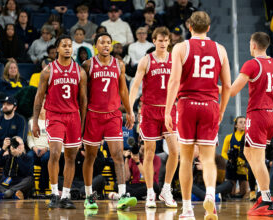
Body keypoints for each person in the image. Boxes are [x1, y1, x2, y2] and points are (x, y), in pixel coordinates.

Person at [165, 11, 231, 219]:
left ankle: (187, 209)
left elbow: (174, 81)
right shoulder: (220, 49)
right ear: (209, 28)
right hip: (210, 104)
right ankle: (210, 194)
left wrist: (167, 110)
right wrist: (221, 110)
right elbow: (227, 85)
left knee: (185, 159)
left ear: (189, 27)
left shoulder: (180, 48)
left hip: (186, 105)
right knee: (208, 158)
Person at [230, 32, 273, 216]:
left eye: (250, 43)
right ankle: (262, 193)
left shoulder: (252, 64)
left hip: (258, 115)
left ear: (254, 45)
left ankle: (266, 199)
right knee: (250, 153)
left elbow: (233, 91)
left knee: (256, 158)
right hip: (272, 114)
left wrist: (209, 87)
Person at [81, 32, 137, 210]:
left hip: (113, 116)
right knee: (90, 157)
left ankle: (122, 194)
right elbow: (82, 96)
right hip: (93, 116)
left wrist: (129, 111)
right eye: (102, 42)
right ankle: (89, 196)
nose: (106, 45)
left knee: (118, 156)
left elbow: (123, 91)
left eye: (108, 43)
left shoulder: (119, 64)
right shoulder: (88, 64)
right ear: (95, 45)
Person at [32, 35, 87, 209]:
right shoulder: (48, 70)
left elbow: (84, 100)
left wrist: (83, 124)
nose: (67, 48)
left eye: (70, 46)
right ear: (57, 49)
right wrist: (35, 122)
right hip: (54, 116)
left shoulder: (80, 71)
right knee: (55, 153)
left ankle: (66, 195)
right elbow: (39, 97)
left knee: (71, 157)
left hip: (73, 116)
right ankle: (54, 193)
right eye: (64, 45)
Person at [129, 27, 178, 208]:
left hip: (169, 110)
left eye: (166, 41)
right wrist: (129, 107)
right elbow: (135, 86)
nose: (163, 43)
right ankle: (150, 192)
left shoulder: (175, 60)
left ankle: (166, 189)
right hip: (149, 110)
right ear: (154, 41)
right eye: (160, 40)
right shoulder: (146, 60)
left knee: (174, 152)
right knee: (149, 152)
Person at [0, 136, 33, 200]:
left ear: (23, 146)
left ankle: (3, 194)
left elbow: (26, 172)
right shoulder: (7, 157)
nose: (18, 146)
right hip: (5, 185)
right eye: (15, 144)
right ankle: (9, 193)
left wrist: (18, 156)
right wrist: (3, 149)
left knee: (30, 180)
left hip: (18, 185)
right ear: (11, 146)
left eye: (20, 144)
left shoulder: (28, 158)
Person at [221, 116, 249, 198]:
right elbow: (223, 152)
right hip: (232, 166)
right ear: (236, 125)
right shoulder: (229, 137)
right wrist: (229, 159)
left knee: (244, 193)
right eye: (240, 122)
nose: (243, 124)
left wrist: (243, 161)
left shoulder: (248, 137)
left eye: (245, 122)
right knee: (230, 193)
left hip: (243, 166)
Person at [27, 104, 49, 194]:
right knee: (28, 157)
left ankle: (42, 189)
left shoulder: (51, 121)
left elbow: (55, 138)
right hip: (35, 148)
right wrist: (34, 147)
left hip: (48, 149)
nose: (41, 109)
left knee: (45, 159)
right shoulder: (31, 122)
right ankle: (30, 187)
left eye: (43, 107)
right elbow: (29, 138)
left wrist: (47, 148)